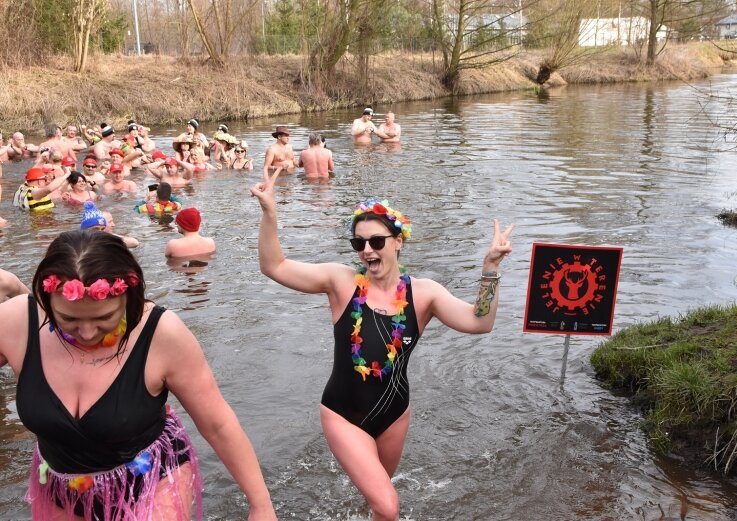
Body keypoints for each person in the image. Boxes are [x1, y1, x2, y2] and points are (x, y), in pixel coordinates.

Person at [251, 171, 514, 520]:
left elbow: (480, 322)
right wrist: (270, 212)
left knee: (379, 505)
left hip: (394, 415)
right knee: (389, 506)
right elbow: (274, 266)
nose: (367, 251)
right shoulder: (340, 283)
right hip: (342, 414)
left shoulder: (424, 294)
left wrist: (490, 268)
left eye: (376, 241)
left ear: (398, 241)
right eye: (358, 244)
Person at [0, 230, 277, 520]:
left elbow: (217, 423)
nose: (87, 333)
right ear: (47, 298)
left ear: (129, 299)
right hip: (60, 485)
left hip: (149, 481)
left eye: (104, 318)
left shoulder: (161, 333)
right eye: (68, 318)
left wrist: (261, 504)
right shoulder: (17, 322)